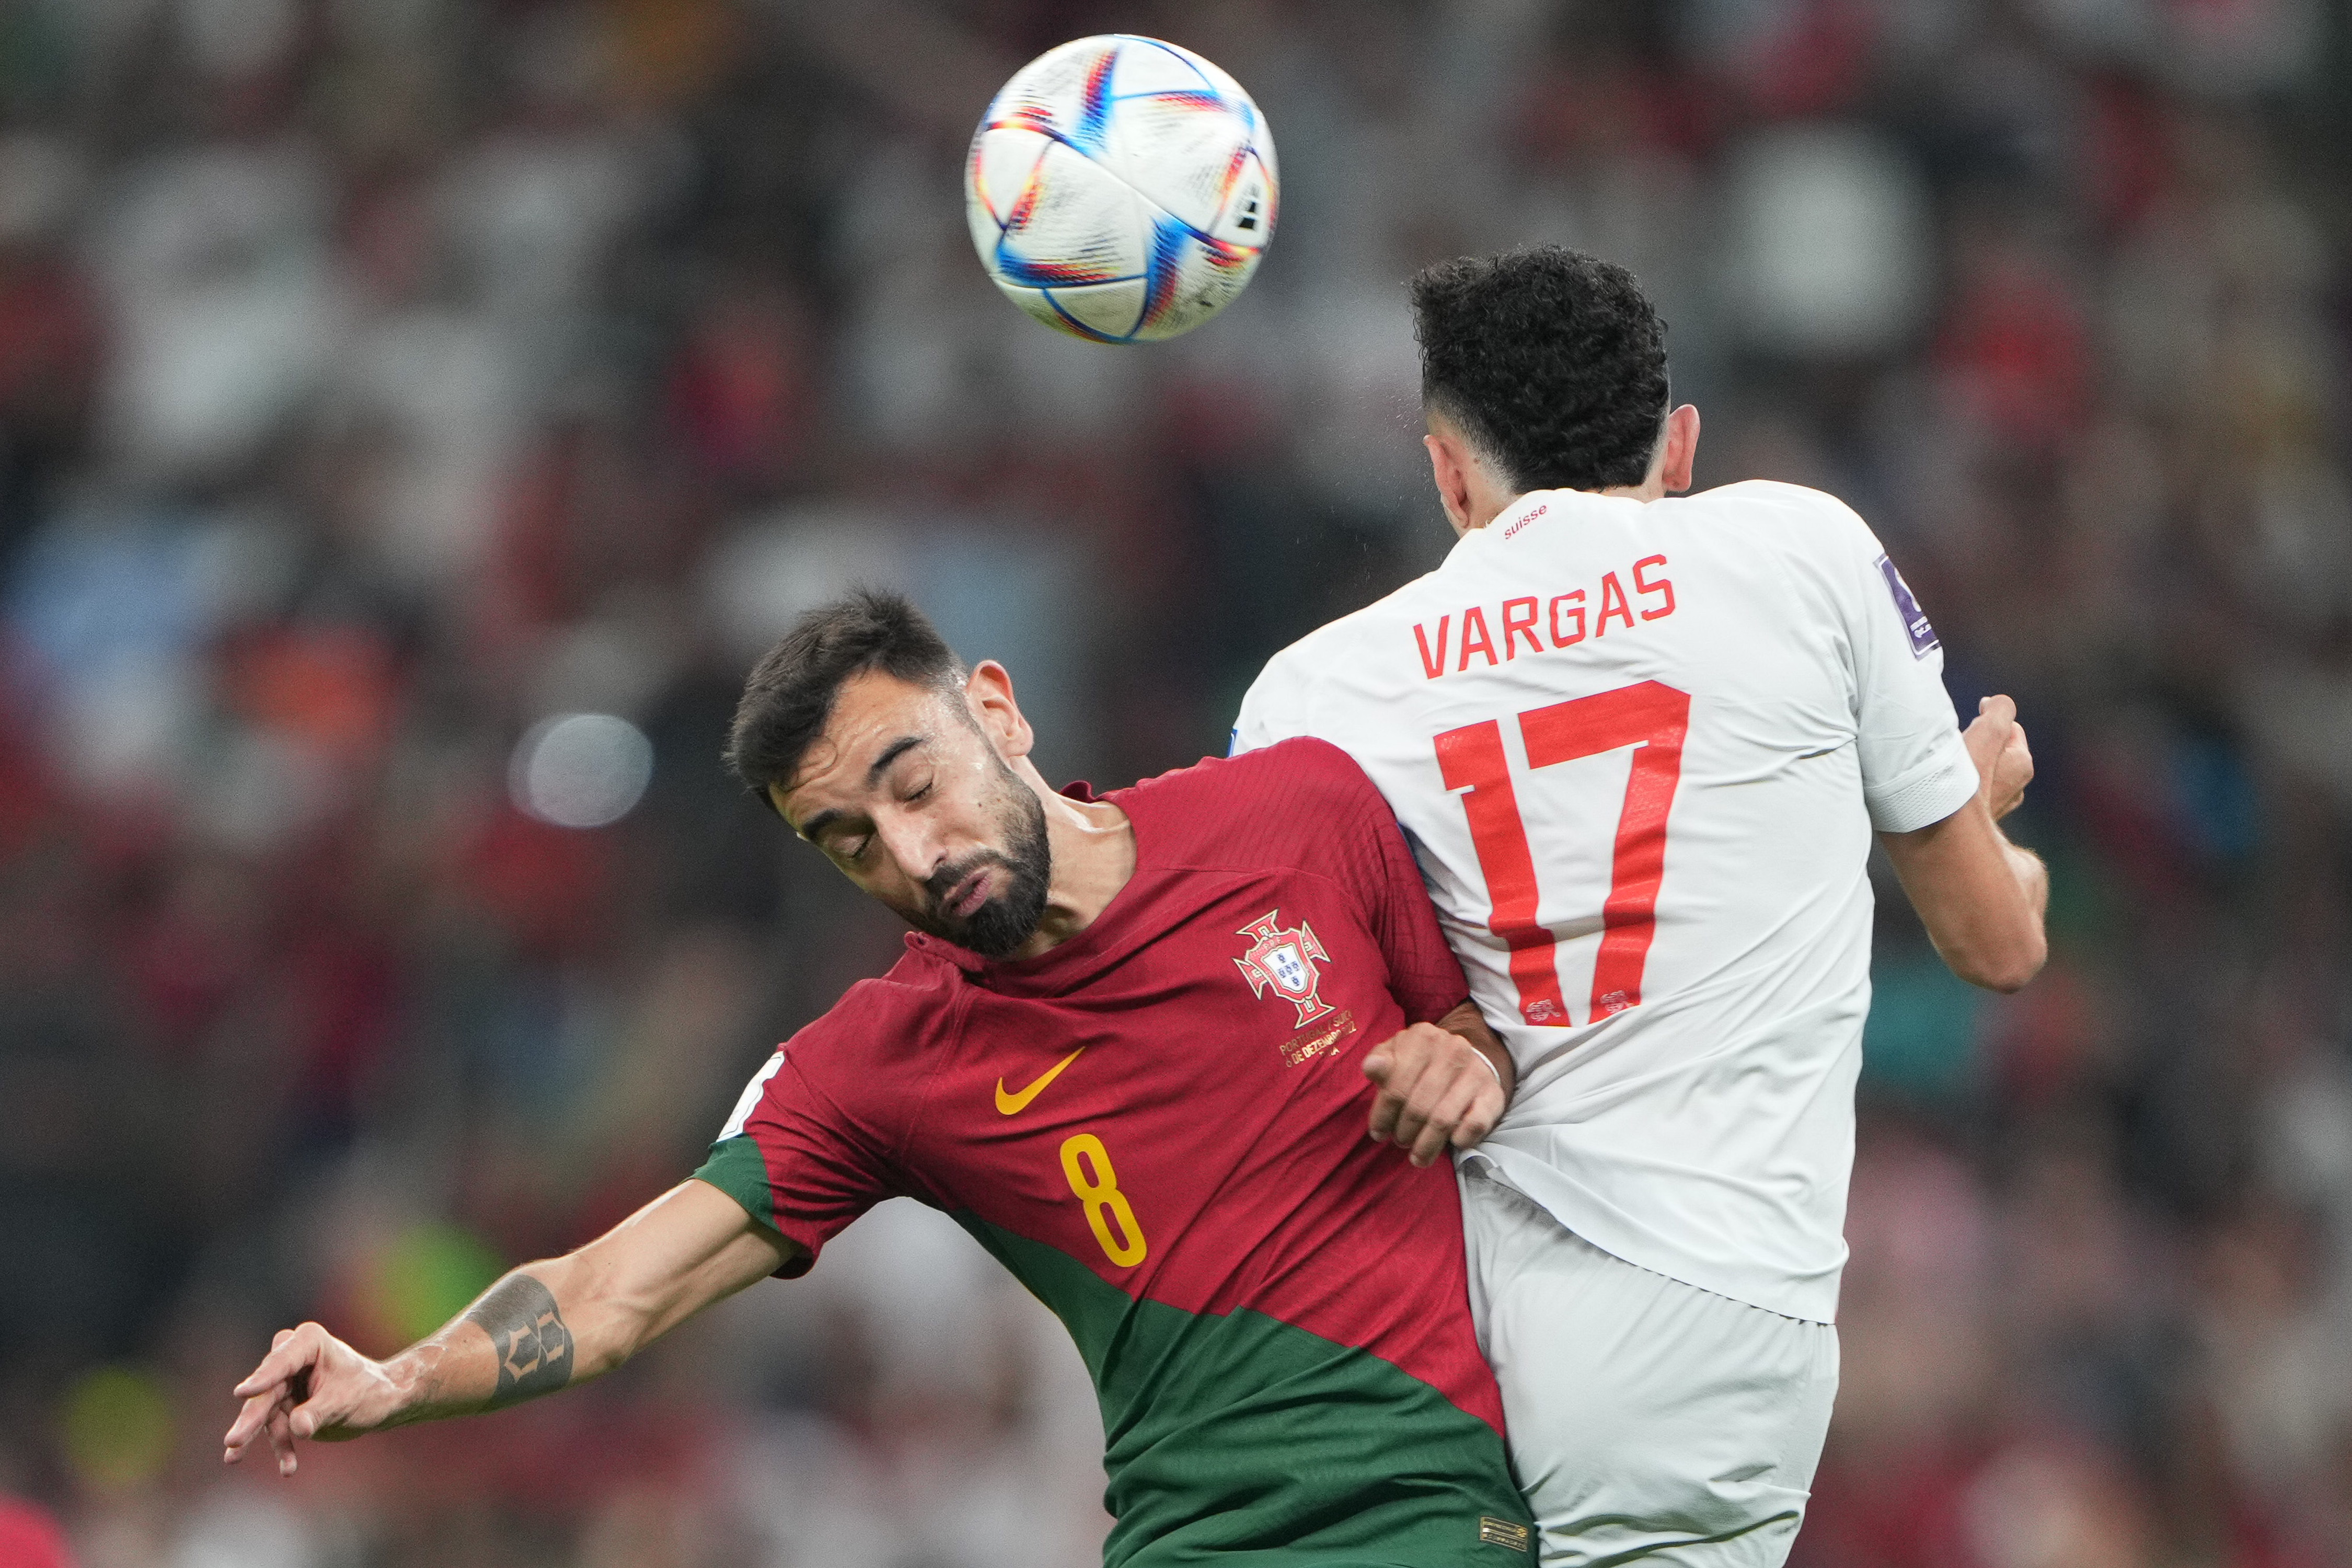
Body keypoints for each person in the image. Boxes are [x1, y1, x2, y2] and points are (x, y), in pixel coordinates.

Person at [225, 590, 1538, 1567]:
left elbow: (1476, 1025)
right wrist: (398, 1381)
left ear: (1000, 709)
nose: (913, 851)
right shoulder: (880, 1064)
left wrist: (1467, 1058)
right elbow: (614, 1290)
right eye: (847, 841)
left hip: (1421, 1517)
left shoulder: (1296, 811)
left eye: (917, 783)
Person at [1231, 246, 2047, 1566]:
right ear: (1681, 446)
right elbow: (1994, 944)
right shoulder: (1801, 549)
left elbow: (1291, 1025)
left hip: (1404, 1330)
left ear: (1445, 469)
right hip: (1704, 1324)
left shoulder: (1308, 693)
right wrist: (1986, 821)